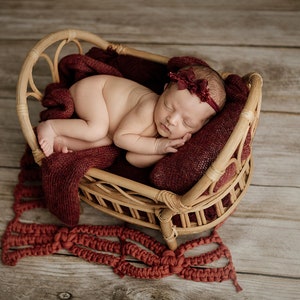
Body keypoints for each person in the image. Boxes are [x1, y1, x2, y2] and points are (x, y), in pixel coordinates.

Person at [37, 65, 226, 168]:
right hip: (94, 91)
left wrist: (165, 150)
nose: (172, 120)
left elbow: (133, 158)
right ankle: (51, 127)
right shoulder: (149, 107)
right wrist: (158, 145)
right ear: (164, 90)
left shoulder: (171, 132)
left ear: (201, 126)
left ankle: (61, 139)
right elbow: (122, 139)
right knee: (97, 130)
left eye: (187, 122)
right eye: (168, 106)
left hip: (113, 122)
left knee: (101, 139)